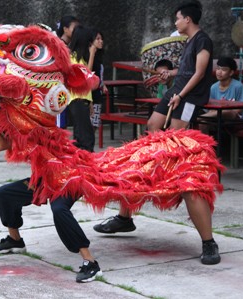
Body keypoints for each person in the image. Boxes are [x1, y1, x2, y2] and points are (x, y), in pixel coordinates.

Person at [94, 0, 220, 266]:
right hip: (177, 93)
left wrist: (181, 96)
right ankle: (135, 200)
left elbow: (199, 73)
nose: (175, 23)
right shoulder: (189, 41)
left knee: (174, 146)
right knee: (152, 127)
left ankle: (204, 236)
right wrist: (169, 75)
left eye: (177, 19)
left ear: (188, 19)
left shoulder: (203, 40)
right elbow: (186, 71)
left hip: (190, 98)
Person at [0, 97, 102, 283]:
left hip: (68, 176)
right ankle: (15, 240)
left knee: (59, 210)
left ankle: (90, 262)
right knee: (4, 194)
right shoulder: (14, 126)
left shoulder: (33, 122)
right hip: (44, 179)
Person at [67, 25, 97, 152]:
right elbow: (86, 76)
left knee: (84, 136)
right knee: (85, 140)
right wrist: (92, 55)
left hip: (82, 100)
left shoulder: (79, 57)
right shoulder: (72, 57)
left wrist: (89, 102)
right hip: (77, 101)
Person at [56, 16, 80, 129]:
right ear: (65, 29)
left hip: (66, 90)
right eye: (74, 28)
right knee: (60, 125)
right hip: (58, 89)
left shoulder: (69, 46)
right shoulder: (59, 46)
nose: (77, 31)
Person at [89, 28, 107, 131]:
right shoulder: (90, 56)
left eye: (101, 39)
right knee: (90, 125)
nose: (101, 41)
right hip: (90, 95)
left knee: (95, 125)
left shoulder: (99, 56)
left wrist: (102, 84)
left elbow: (98, 75)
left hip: (97, 94)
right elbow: (88, 72)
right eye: (97, 39)